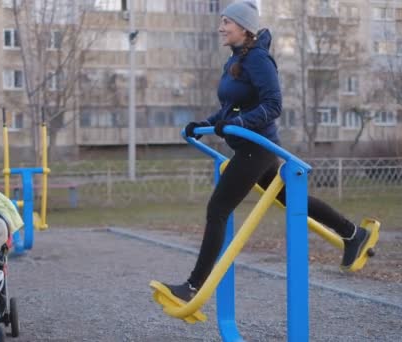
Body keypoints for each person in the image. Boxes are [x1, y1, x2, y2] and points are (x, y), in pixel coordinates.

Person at [161, 0, 375, 302]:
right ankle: (354, 233)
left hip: (256, 149)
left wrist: (239, 122)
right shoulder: (236, 60)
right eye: (221, 21)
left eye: (227, 22)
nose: (221, 27)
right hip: (249, 148)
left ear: (244, 28)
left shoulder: (259, 59)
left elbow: (273, 105)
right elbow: (228, 109)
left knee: (218, 209)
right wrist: (202, 124)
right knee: (289, 198)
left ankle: (193, 287)